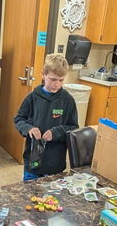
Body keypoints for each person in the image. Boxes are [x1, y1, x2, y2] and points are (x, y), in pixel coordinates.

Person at [13, 53, 79, 181]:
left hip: (55, 163)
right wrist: (29, 129)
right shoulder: (32, 97)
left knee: (51, 198)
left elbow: (73, 127)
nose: (57, 84)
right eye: (53, 79)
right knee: (29, 195)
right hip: (32, 162)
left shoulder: (68, 100)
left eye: (61, 80)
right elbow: (19, 119)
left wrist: (56, 132)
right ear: (43, 74)